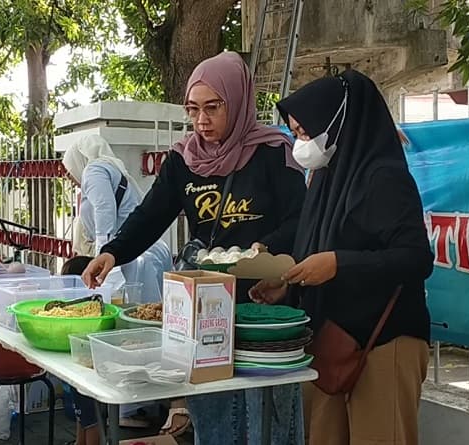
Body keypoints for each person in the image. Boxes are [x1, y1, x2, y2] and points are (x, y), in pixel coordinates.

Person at [81, 51, 307, 444]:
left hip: (264, 302)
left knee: (266, 418)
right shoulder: (184, 160)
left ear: (236, 103)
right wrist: (113, 252)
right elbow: (152, 215)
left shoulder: (272, 152)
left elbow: (301, 218)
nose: (201, 121)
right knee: (214, 413)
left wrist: (265, 248)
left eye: (213, 108)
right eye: (193, 109)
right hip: (207, 307)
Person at [251, 70, 433, 445]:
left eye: (304, 132)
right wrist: (287, 286)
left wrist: (338, 264)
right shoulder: (323, 177)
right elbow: (315, 247)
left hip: (385, 340)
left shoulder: (384, 177)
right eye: (296, 133)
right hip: (331, 335)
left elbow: (416, 259)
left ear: (339, 124)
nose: (300, 143)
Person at [63, 134, 172, 302]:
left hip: (135, 256)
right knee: (157, 313)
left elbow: (104, 208)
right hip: (148, 250)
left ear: (78, 160)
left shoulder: (94, 171)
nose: (69, 177)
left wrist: (104, 251)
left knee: (142, 316)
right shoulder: (111, 169)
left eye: (68, 171)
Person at [61, 256, 101, 445]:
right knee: (82, 413)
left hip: (86, 368)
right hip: (78, 367)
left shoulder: (87, 310)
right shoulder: (76, 307)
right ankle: (79, 442)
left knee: (90, 419)